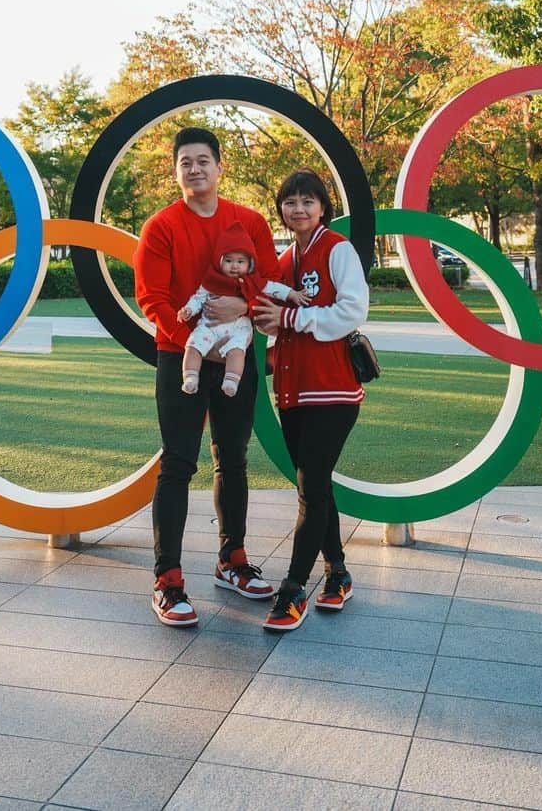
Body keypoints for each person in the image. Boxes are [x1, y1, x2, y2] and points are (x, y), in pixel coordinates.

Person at [133, 128, 278, 627]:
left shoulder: (250, 221)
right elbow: (151, 298)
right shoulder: (161, 226)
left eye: (203, 161)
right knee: (177, 462)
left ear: (220, 168)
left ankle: (231, 560)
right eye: (185, 163)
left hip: (237, 355)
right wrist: (195, 331)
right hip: (182, 355)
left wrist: (243, 306)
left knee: (233, 459)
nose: (194, 169)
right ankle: (167, 579)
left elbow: (269, 285)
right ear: (176, 171)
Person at [252, 168, 369, 632]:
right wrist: (267, 320)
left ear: (323, 206)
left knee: (312, 486)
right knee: (314, 487)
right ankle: (337, 573)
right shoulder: (284, 260)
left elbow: (352, 310)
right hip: (291, 391)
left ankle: (293, 587)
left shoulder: (337, 249)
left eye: (308, 200)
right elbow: (270, 318)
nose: (297, 208)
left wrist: (290, 318)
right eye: (290, 201)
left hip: (333, 390)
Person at [176, 222, 309, 398]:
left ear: (250, 263)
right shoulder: (212, 280)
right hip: (209, 326)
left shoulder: (254, 281)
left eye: (240, 261)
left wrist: (293, 294)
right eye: (229, 261)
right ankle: (190, 377)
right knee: (193, 346)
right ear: (219, 261)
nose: (234, 266)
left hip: (238, 328)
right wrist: (188, 310)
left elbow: (274, 288)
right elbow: (198, 298)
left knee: (237, 351)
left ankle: (231, 381)